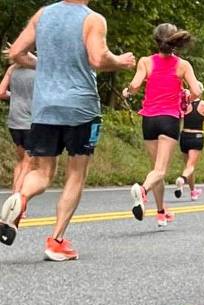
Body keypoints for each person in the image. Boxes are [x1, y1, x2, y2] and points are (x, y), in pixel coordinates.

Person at [0, 0, 135, 260]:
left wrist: (46, 66)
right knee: (76, 173)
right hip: (80, 108)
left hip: (44, 108)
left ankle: (21, 197)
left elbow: (16, 53)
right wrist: (120, 61)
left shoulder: (43, 14)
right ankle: (56, 241)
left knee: (42, 171)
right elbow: (97, 58)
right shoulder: (93, 19)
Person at [123, 24, 200, 226]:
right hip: (169, 119)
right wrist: (187, 96)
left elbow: (135, 85)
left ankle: (160, 212)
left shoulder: (145, 62)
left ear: (156, 40)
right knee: (159, 171)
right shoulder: (183, 65)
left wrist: (128, 91)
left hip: (149, 119)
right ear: (175, 40)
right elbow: (197, 91)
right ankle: (142, 190)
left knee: (155, 169)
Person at [175, 83, 204, 201]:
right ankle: (182, 179)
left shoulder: (184, 103)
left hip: (184, 136)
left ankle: (193, 191)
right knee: (191, 166)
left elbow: (180, 117)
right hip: (197, 136)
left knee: (188, 166)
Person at [0, 58, 36, 193]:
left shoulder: (13, 68)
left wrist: (14, 96)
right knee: (28, 164)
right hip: (30, 123)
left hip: (14, 122)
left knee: (21, 162)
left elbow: (1, 92)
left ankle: (13, 200)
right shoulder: (39, 68)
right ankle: (17, 201)